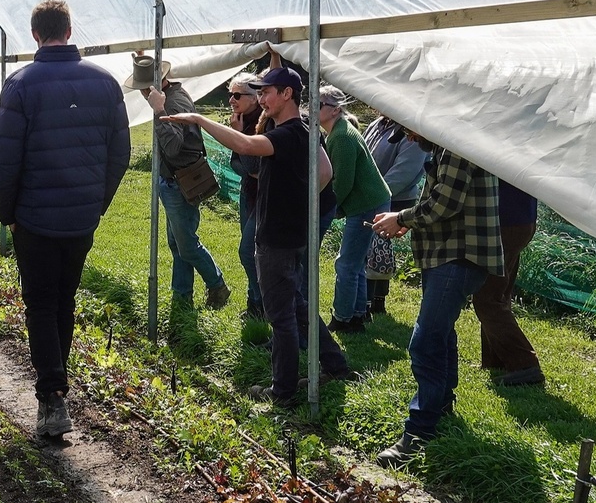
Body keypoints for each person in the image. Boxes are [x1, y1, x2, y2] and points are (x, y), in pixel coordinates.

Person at [165, 65, 353, 406]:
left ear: (287, 95)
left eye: (266, 92)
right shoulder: (303, 131)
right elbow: (324, 171)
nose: (261, 97)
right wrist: (302, 201)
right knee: (297, 307)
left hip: (277, 239)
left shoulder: (287, 133)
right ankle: (336, 365)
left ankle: (282, 391)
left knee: (280, 317)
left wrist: (201, 121)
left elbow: (246, 145)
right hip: (291, 233)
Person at [0, 0, 130, 439]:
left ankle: (52, 396)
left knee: (41, 303)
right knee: (64, 299)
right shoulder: (105, 83)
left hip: (33, 217)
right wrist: (98, 202)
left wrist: (8, 213)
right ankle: (55, 385)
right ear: (70, 31)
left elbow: (5, 159)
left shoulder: (20, 85)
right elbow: (120, 153)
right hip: (80, 218)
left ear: (35, 34)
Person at [371, 131, 503, 465]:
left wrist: (401, 218)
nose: (412, 139)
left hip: (460, 255)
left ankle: (419, 433)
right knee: (440, 334)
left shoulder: (458, 144)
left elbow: (445, 202)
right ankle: (441, 406)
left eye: (412, 130)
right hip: (448, 253)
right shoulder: (447, 144)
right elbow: (443, 203)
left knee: (425, 340)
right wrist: (408, 223)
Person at [125, 55, 230, 309]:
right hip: (175, 182)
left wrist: (159, 110)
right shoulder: (172, 97)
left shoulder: (172, 103)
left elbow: (172, 147)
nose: (141, 93)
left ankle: (217, 285)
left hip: (180, 184)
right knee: (178, 244)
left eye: (142, 87)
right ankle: (182, 296)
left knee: (187, 245)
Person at [316, 86, 391, 333]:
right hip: (369, 202)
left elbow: (342, 183)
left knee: (346, 264)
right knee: (355, 264)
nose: (312, 109)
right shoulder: (336, 132)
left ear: (335, 110)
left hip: (366, 204)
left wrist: (329, 210)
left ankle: (343, 318)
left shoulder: (341, 137)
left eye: (319, 104)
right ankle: (357, 315)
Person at [473, 178, 544, 386]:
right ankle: (497, 360)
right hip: (519, 217)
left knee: (487, 298)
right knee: (498, 295)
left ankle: (525, 364)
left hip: (506, 219)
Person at [363, 113, 428, 314]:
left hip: (393, 197)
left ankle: (376, 301)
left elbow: (404, 172)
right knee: (369, 248)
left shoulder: (411, 132)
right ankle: (367, 299)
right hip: (372, 193)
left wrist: (376, 192)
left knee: (379, 249)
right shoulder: (379, 124)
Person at [226, 73, 265, 319]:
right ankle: (254, 304)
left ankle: (263, 303)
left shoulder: (261, 124)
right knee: (250, 252)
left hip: (265, 198)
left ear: (254, 98)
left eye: (237, 95)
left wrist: (239, 137)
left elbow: (252, 168)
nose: (231, 99)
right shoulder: (240, 121)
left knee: (248, 252)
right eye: (231, 94)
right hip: (248, 194)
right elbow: (237, 166)